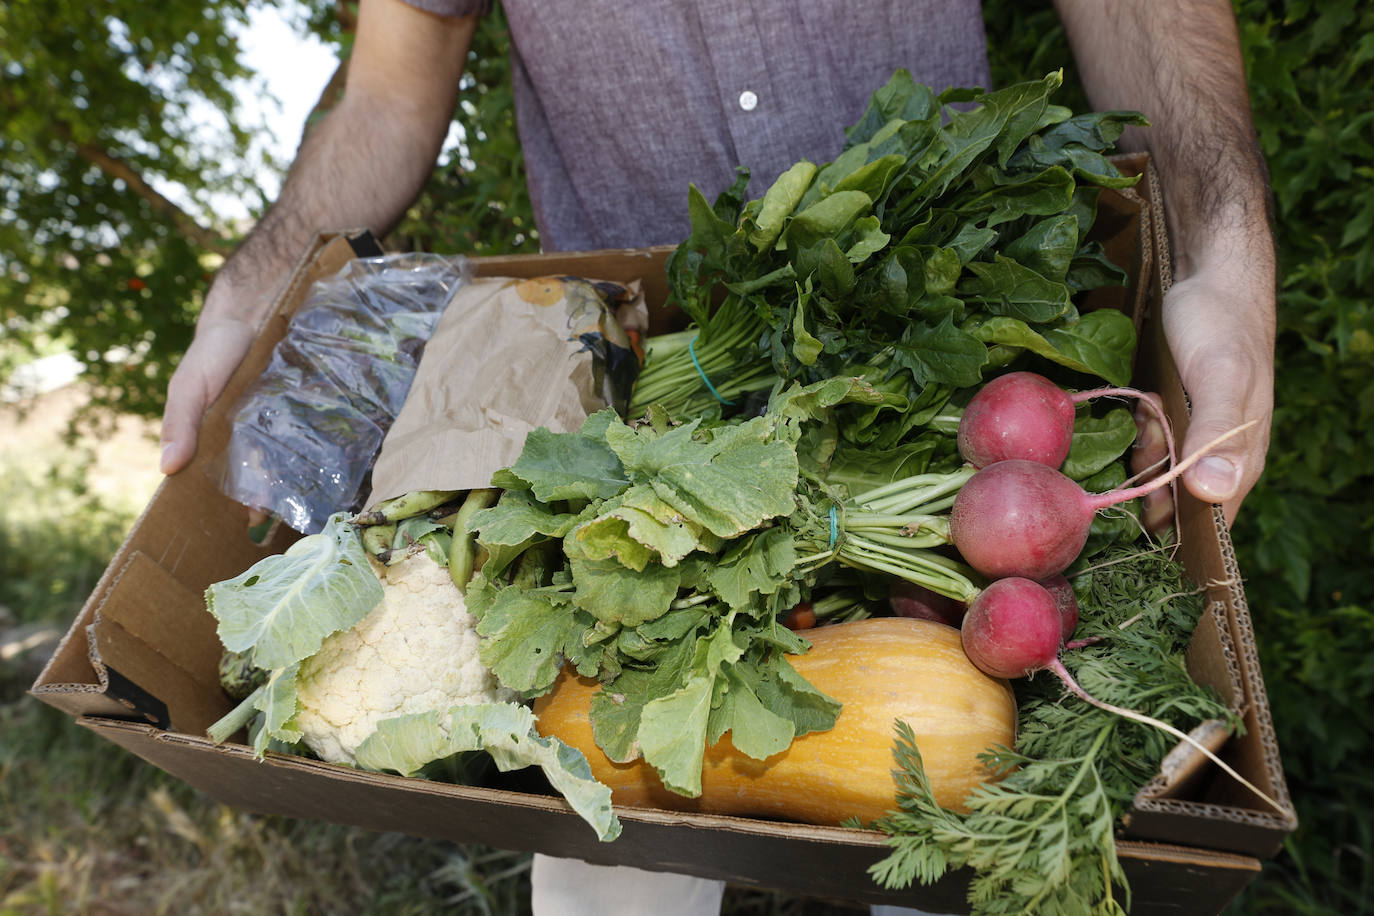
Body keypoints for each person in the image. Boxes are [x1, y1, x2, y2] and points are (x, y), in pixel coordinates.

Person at [157, 1, 1276, 912]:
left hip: (943, 358)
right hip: (616, 383)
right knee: (606, 859)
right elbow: (390, 90)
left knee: (975, 834)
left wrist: (1228, 248)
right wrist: (245, 296)